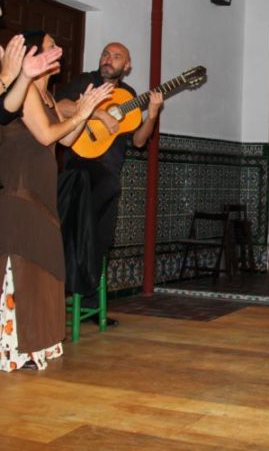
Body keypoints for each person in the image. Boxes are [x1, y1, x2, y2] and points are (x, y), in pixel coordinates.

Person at [0, 32, 112, 371]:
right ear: (33, 53)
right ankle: (17, 348)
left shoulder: (46, 96)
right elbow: (46, 135)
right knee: (23, 269)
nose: (57, 50)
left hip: (41, 192)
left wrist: (84, 110)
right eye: (50, 46)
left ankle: (38, 347)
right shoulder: (27, 93)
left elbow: (66, 140)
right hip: (20, 192)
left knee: (44, 271)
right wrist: (80, 115)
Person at [55, 42, 164, 325]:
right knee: (69, 234)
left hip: (108, 175)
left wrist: (152, 115)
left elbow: (139, 141)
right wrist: (97, 113)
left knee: (101, 239)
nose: (109, 59)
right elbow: (60, 106)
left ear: (126, 67)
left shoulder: (128, 97)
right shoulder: (84, 81)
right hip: (77, 167)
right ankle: (56, 296)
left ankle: (89, 302)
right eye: (106, 53)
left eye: (116, 57)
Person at [0, 34, 62, 124]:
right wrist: (7, 75)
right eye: (52, 46)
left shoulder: (48, 94)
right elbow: (46, 136)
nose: (59, 50)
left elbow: (4, 115)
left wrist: (24, 77)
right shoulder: (29, 90)